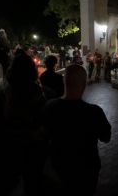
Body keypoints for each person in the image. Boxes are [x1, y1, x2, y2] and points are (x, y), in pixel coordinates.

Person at [41, 65, 111, 196]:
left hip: (58, 169)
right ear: (84, 84)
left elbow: (43, 136)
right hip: (86, 171)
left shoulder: (49, 107)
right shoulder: (94, 112)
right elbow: (106, 137)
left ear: (64, 82)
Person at [5, 52, 46, 196]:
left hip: (15, 137)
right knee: (34, 175)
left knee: (24, 174)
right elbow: (40, 115)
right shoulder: (34, 89)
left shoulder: (10, 89)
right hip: (32, 138)